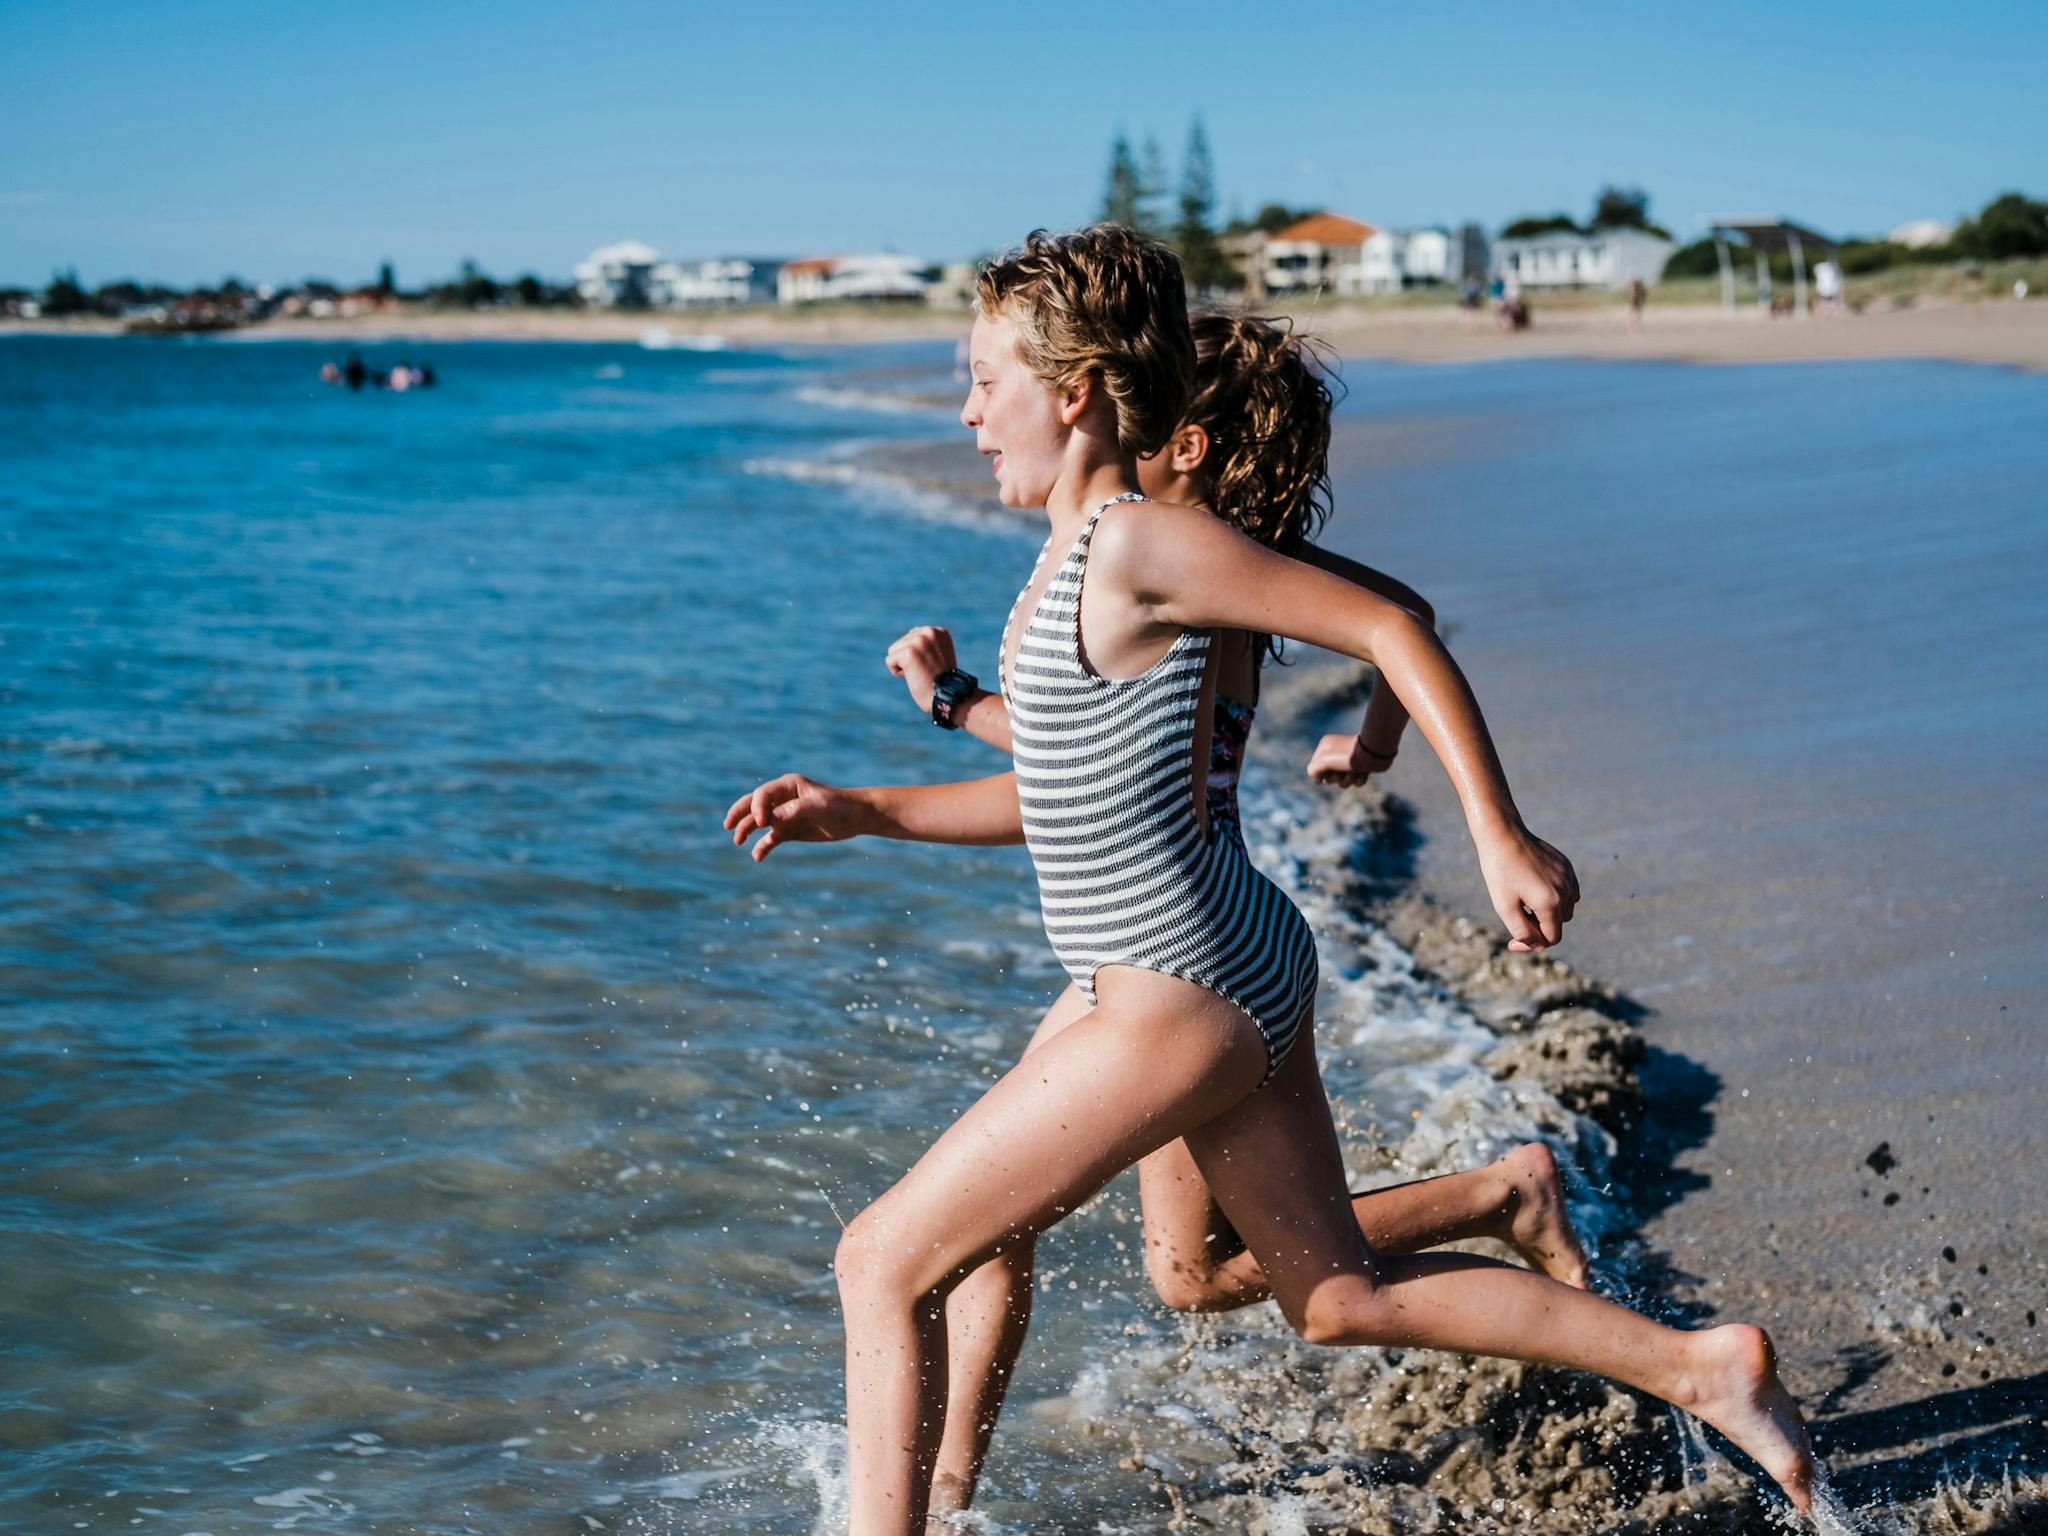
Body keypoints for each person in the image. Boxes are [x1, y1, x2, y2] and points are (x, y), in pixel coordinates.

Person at [725, 226, 1815, 1535]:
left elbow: (1390, 623)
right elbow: (1066, 794)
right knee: (1332, 1295)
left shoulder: (1140, 545)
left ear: (1072, 394)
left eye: (981, 380)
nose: (963, 412)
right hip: (1209, 962)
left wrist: (1496, 833)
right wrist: (865, 811)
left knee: (879, 1260)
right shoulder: (1077, 559)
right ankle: (1699, 1367)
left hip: (1175, 986)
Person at [874, 312, 1594, 1516]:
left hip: (1180, 960)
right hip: (1175, 949)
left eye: (1142, 417)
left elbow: (1394, 626)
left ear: (1185, 443)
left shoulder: (1185, 563)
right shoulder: (1215, 572)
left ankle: (940, 1497)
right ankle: (1496, 1197)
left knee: (1022, 1245)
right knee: (1192, 1274)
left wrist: (948, 707)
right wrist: (1370, 742)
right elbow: (1079, 749)